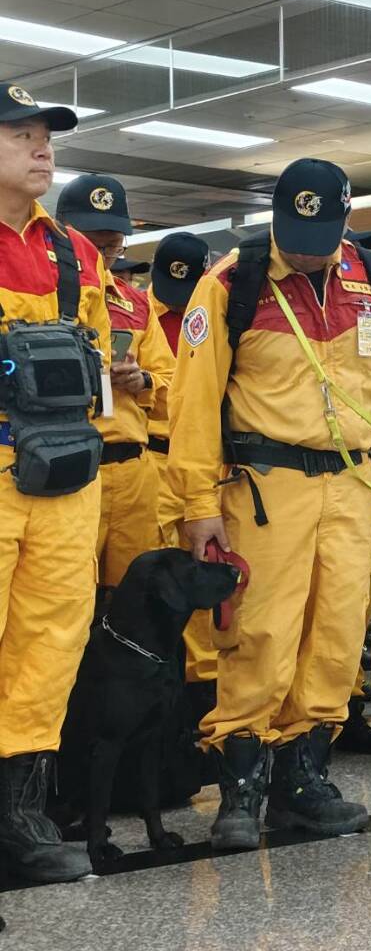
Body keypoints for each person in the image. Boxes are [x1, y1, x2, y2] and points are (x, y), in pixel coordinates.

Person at [169, 158, 371, 849]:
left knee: (338, 635)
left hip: (351, 487)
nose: (306, 248)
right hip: (264, 487)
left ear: (346, 219)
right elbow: (194, 402)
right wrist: (196, 504)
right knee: (258, 634)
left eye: (321, 233)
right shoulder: (232, 282)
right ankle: (241, 787)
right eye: (294, 232)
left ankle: (303, 780)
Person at [0, 85, 110, 883]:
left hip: (69, 480)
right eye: (22, 135)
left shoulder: (76, 252)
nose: (42, 149)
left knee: (51, 642)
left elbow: (96, 358)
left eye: (46, 136)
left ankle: (20, 813)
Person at [57, 175, 175, 595]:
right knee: (66, 592)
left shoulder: (136, 304)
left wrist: (142, 380)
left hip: (133, 475)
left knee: (132, 596)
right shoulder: (43, 293)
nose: (103, 256)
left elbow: (173, 387)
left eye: (113, 246)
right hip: (70, 471)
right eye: (92, 244)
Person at [145, 232, 217, 690]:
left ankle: (194, 697)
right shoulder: (136, 311)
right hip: (149, 460)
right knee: (144, 583)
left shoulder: (215, 308)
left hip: (202, 464)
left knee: (197, 578)